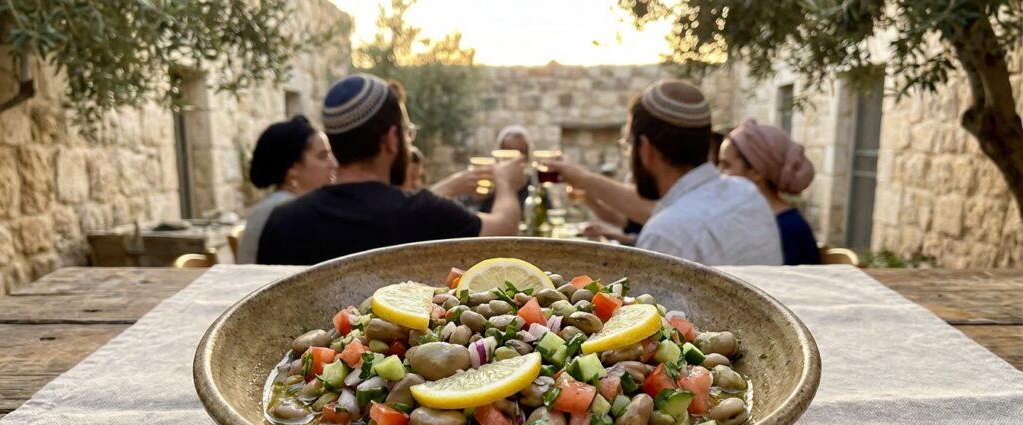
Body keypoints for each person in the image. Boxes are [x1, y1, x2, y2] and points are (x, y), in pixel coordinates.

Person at [257, 74, 524, 265]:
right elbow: (504, 231)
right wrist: (507, 184)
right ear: (391, 139)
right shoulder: (422, 213)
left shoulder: (281, 221)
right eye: (407, 133)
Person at [544, 79, 782, 265]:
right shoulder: (746, 192)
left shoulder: (667, 235)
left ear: (645, 149)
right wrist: (583, 180)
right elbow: (660, 210)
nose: (628, 153)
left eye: (628, 144)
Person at [720, 119, 821, 265]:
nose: (719, 173)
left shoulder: (788, 230)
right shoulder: (746, 219)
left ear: (756, 172)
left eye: (726, 165)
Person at [237, 115, 337, 264]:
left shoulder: (286, 206)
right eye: (323, 156)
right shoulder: (285, 213)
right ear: (293, 168)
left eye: (331, 154)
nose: (333, 164)